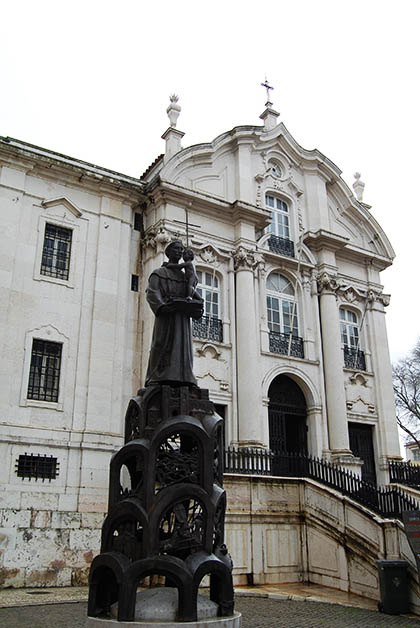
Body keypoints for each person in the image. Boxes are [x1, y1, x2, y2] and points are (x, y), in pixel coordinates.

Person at [145, 240, 203, 386]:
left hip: (182, 319)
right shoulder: (159, 273)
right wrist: (162, 306)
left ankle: (185, 377)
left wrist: (197, 307)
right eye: (176, 249)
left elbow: (194, 294)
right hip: (166, 317)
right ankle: (158, 375)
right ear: (168, 252)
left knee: (183, 348)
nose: (179, 251)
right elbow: (152, 293)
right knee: (161, 345)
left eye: (181, 249)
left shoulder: (185, 277)